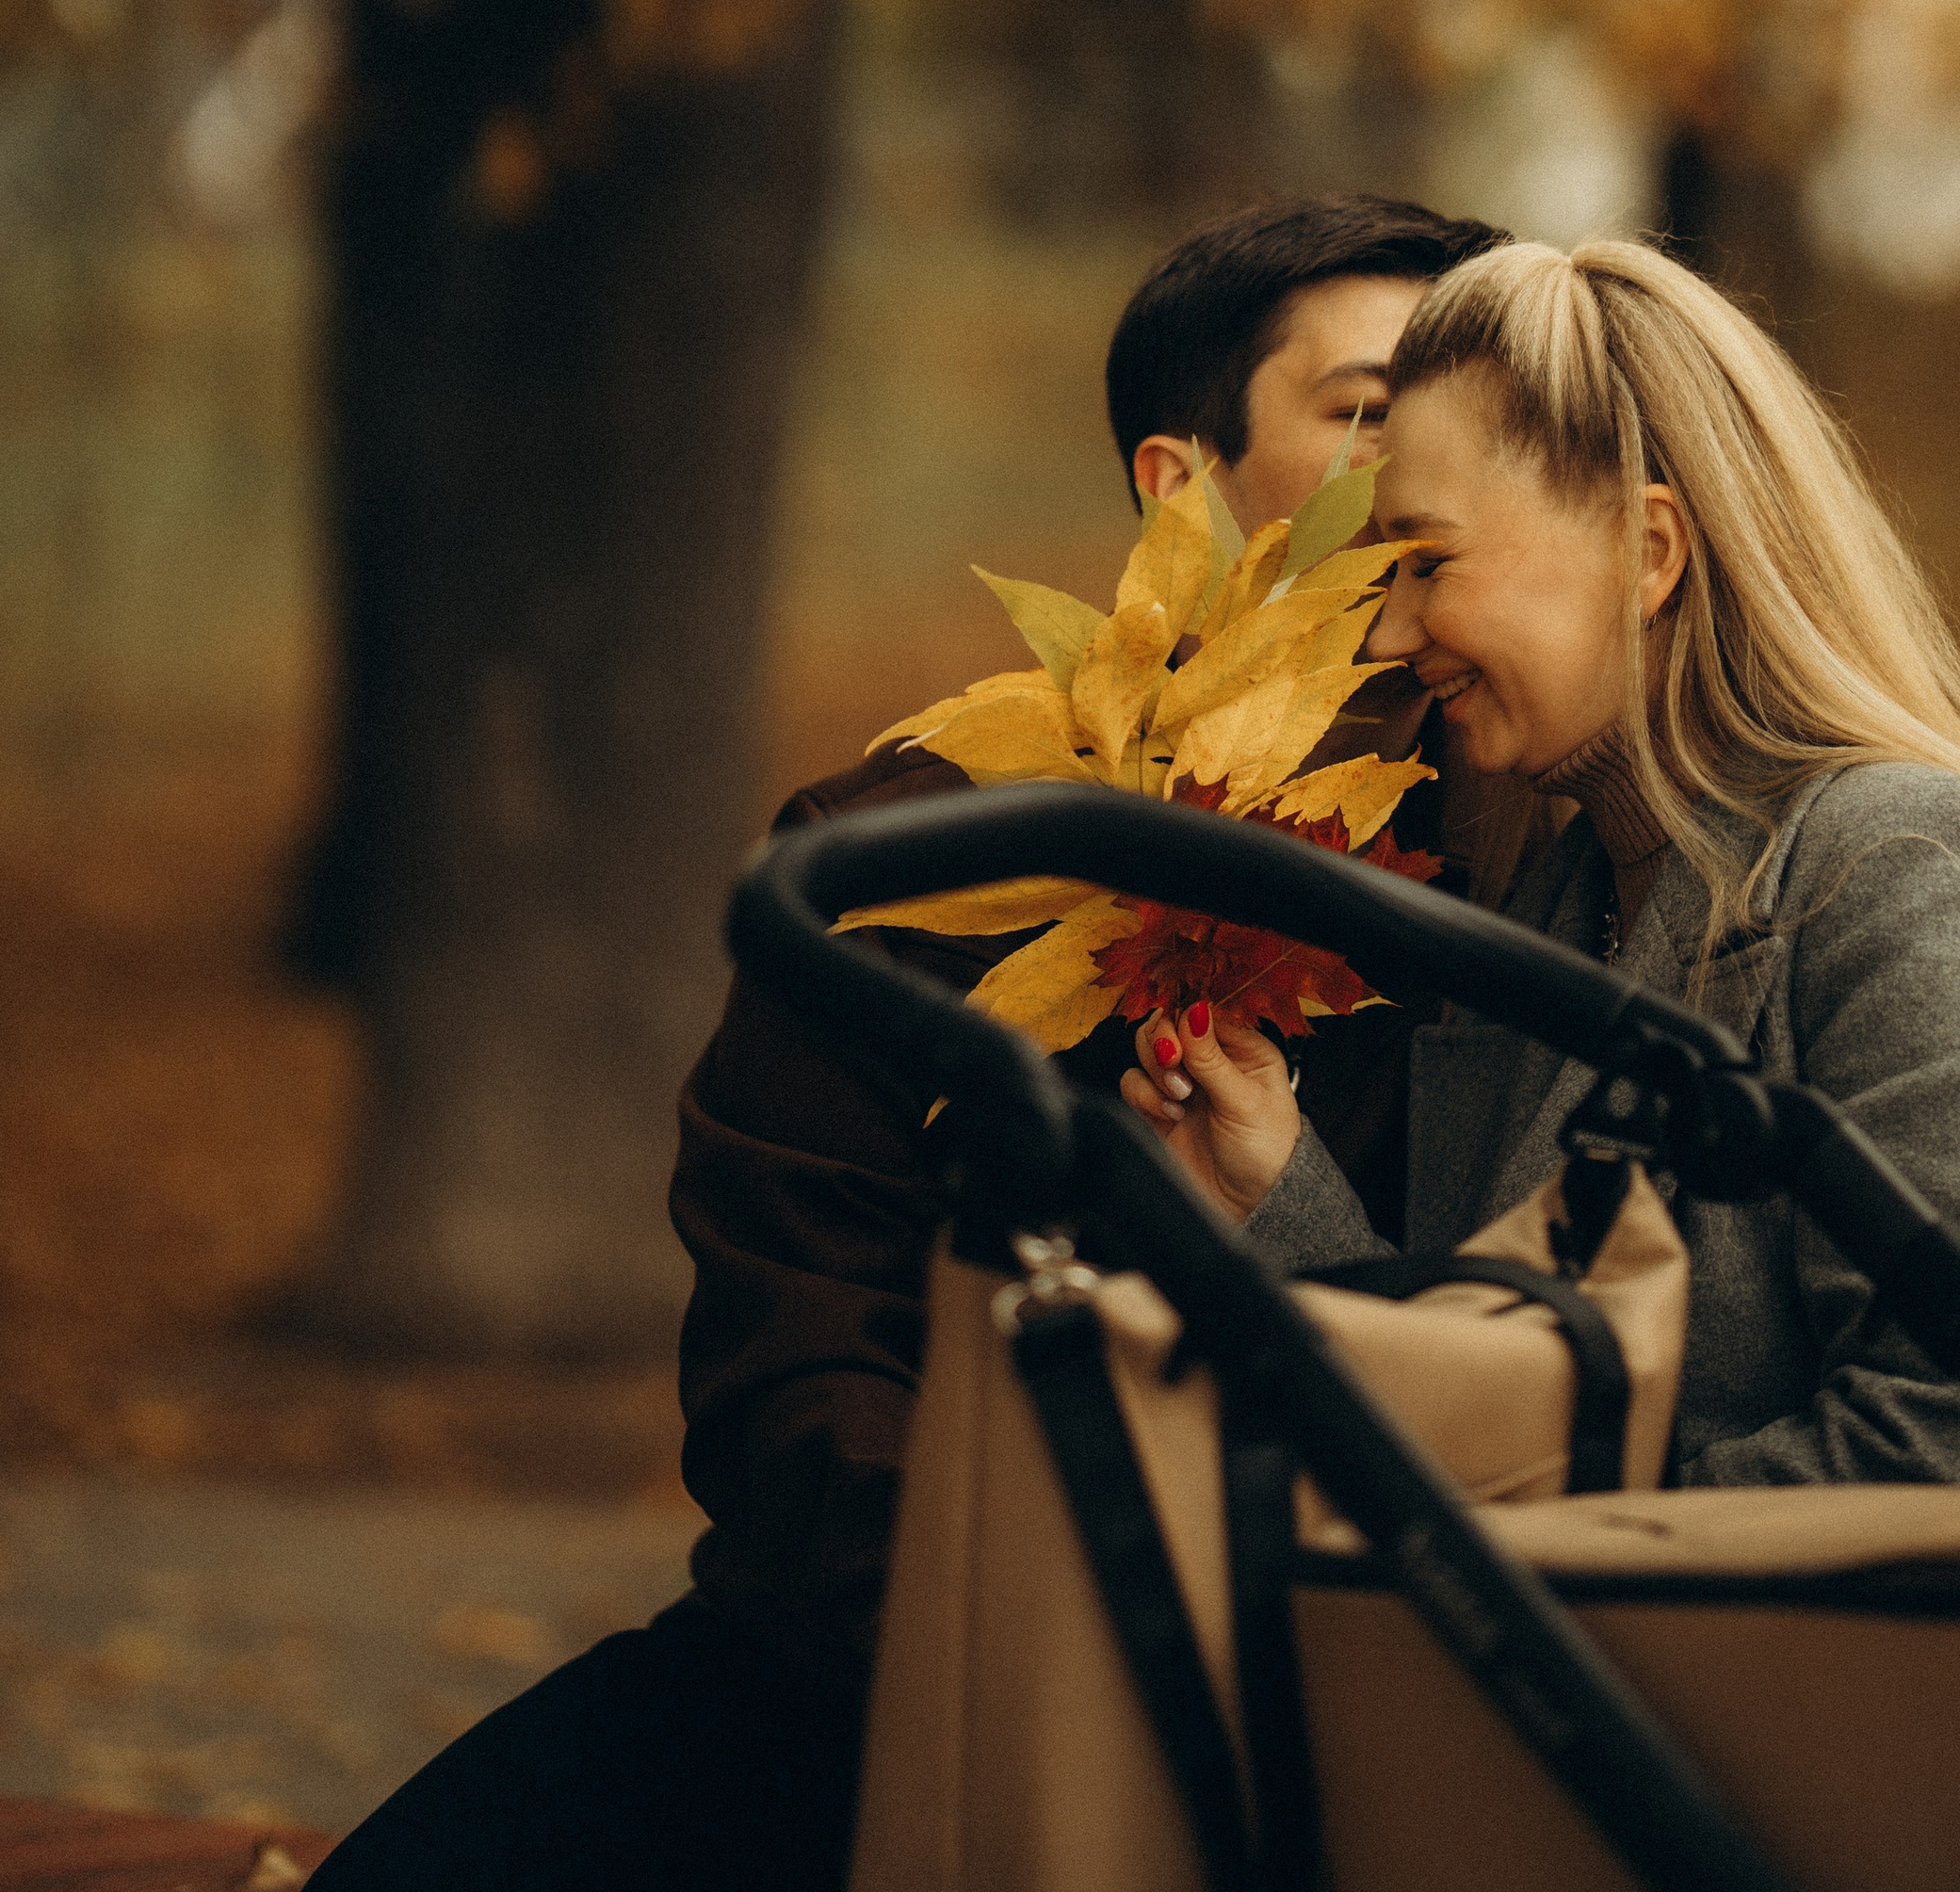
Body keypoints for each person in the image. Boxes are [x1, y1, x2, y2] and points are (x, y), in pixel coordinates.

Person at [313, 190, 1502, 1887]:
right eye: (1373, 416)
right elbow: (795, 1367)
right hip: (889, 1662)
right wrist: (993, 1685)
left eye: (1476, 424)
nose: (1431, 485)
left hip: (1349, 1708)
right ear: (1180, 484)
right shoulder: (905, 853)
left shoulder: (1532, 883)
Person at [1124, 234, 1960, 1488]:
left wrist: (1576, 1562)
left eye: (1428, 562)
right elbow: (1499, 1407)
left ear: (1650, 551)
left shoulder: (1905, 870)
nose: (1392, 626)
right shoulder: (1551, 911)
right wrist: (1279, 1194)